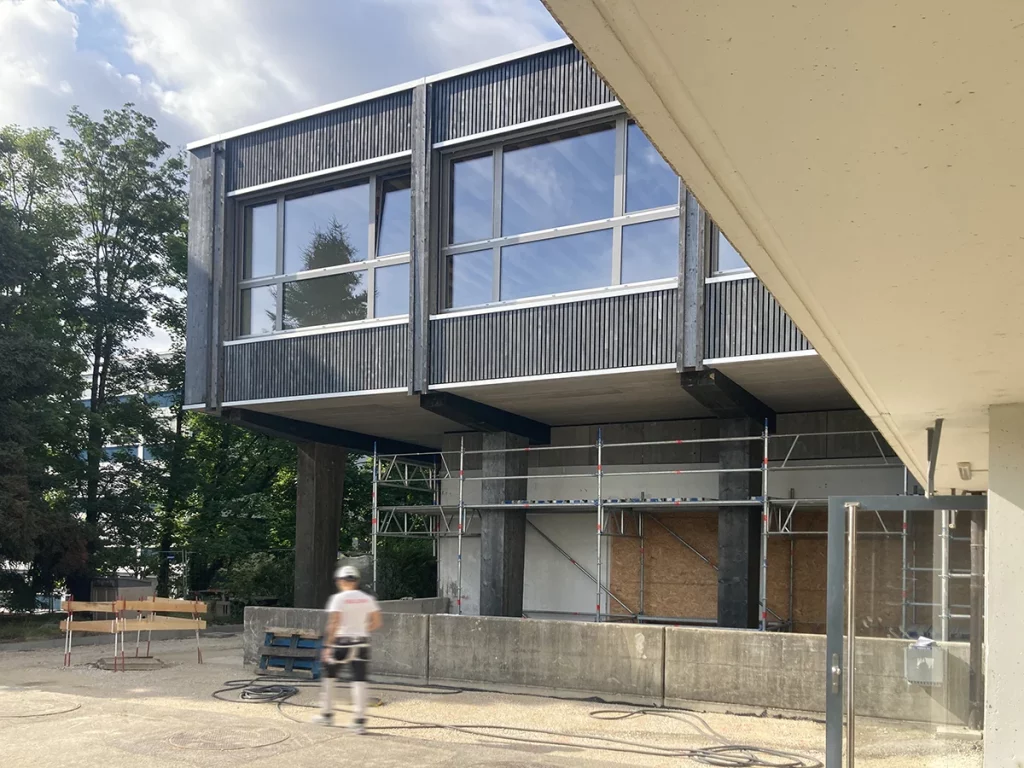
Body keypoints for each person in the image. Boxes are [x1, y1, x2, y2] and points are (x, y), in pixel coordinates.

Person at [315, 565, 382, 733]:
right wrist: (361, 629)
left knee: (329, 677)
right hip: (361, 644)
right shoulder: (367, 599)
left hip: (341, 644)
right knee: (359, 680)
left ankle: (327, 714)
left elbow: (334, 623)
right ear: (356, 581)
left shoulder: (338, 599)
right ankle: (359, 721)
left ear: (340, 581)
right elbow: (376, 622)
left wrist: (327, 646)